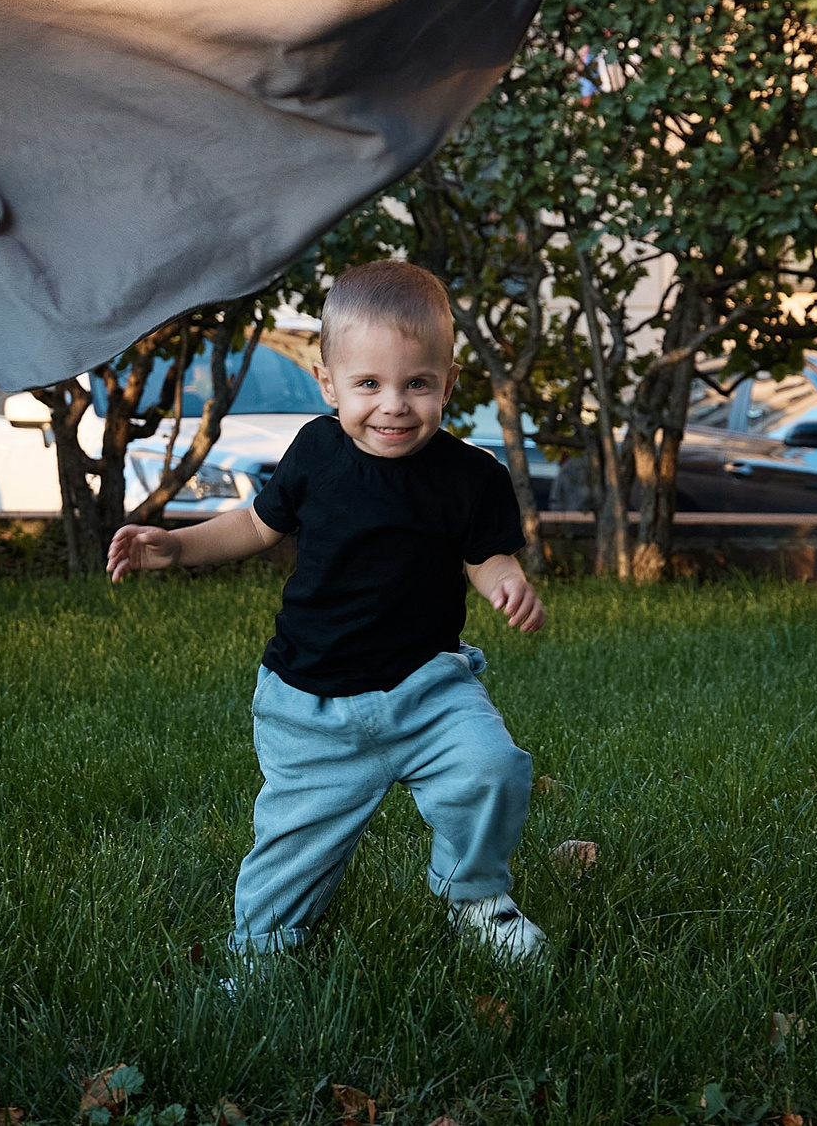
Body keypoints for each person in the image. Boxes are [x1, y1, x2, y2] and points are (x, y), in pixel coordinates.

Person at [106, 261, 551, 958]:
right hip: (311, 703)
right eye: (368, 383)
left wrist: (505, 581)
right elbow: (257, 524)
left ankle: (475, 896)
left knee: (491, 767)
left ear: (449, 383)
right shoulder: (316, 450)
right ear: (330, 384)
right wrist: (177, 547)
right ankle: (260, 957)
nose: (393, 404)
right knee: (289, 857)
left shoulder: (473, 477)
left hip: (427, 687)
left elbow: (485, 554)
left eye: (417, 383)